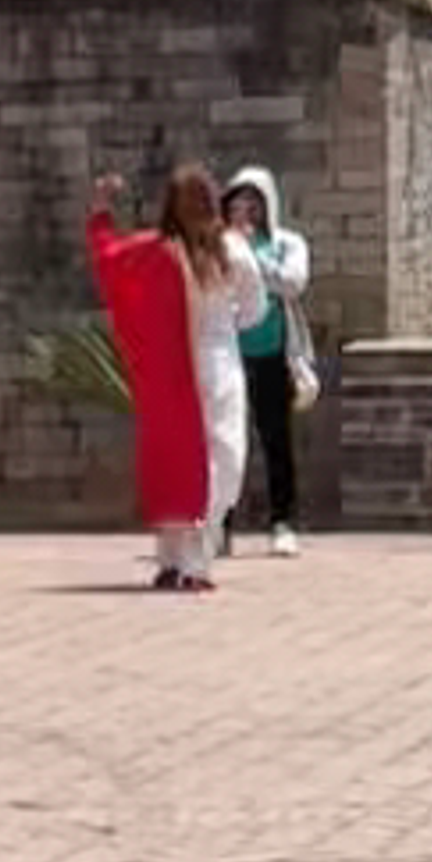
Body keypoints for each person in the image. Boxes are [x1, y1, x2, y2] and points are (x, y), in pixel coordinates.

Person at [86, 168, 263, 592]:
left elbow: (108, 256)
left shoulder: (156, 251)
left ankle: (170, 558)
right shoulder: (233, 249)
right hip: (217, 361)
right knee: (221, 457)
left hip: (172, 366)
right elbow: (256, 308)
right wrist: (229, 321)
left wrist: (100, 210)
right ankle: (195, 562)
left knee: (177, 458)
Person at [218, 166, 316, 552]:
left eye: (253, 200)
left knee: (276, 439)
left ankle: (283, 522)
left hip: (273, 351)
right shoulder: (218, 244)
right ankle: (220, 525)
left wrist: (252, 259)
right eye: (239, 201)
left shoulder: (287, 243)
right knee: (225, 442)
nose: (246, 209)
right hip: (228, 354)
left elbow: (292, 282)